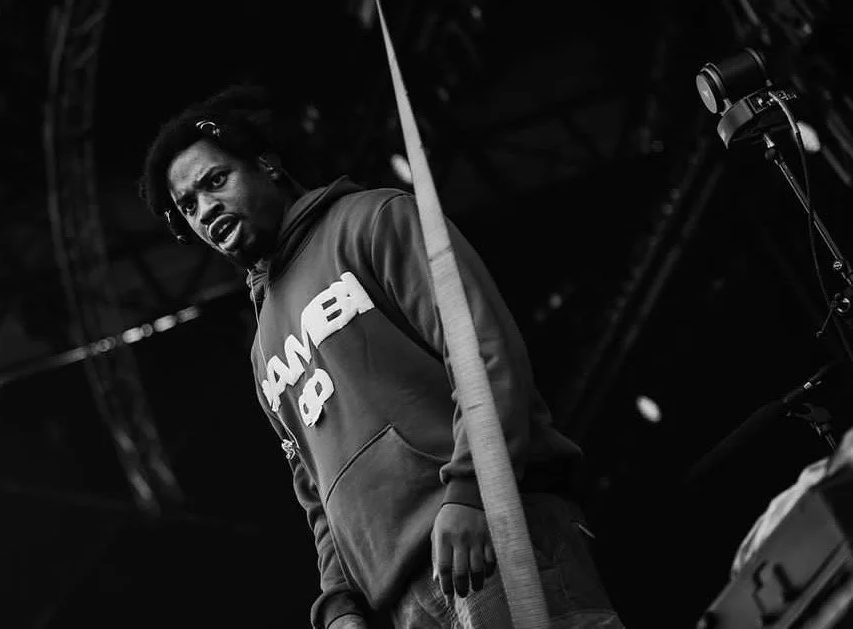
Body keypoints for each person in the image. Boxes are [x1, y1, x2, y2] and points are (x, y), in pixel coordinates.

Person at [139, 85, 625, 629]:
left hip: (490, 528)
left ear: (266, 166)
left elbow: (484, 351)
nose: (206, 208)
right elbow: (315, 497)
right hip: (400, 603)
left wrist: (471, 491)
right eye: (189, 205)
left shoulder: (373, 220)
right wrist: (340, 604)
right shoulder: (261, 352)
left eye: (215, 180)